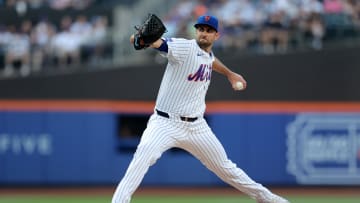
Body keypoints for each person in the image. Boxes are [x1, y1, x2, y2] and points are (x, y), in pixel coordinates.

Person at [112, 15, 290, 203]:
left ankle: (266, 198)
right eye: (201, 29)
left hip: (197, 127)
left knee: (226, 168)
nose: (203, 33)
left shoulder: (207, 55)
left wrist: (229, 74)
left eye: (208, 30)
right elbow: (160, 44)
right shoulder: (184, 47)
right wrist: (144, 40)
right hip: (165, 123)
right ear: (196, 31)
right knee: (142, 157)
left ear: (216, 36)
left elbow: (210, 60)